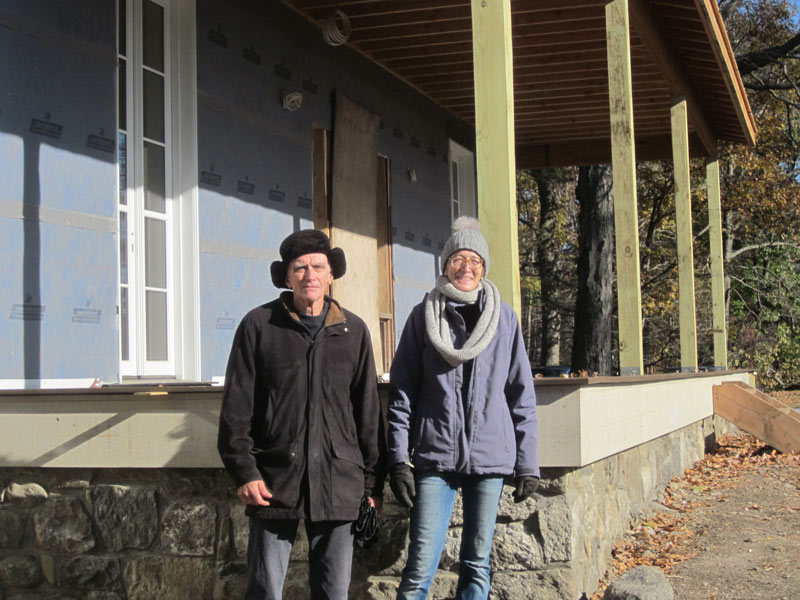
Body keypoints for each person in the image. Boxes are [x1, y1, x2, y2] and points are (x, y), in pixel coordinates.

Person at [217, 229, 386, 600]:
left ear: (331, 275)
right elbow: (236, 409)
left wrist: (372, 486)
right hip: (273, 482)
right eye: (300, 267)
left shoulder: (353, 331)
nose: (310, 275)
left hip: (340, 482)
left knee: (332, 592)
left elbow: (368, 414)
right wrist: (245, 471)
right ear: (287, 276)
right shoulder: (259, 326)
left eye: (318, 267)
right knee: (264, 591)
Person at [387, 216, 539, 600]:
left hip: (489, 459)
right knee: (420, 565)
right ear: (445, 265)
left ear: (484, 268)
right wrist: (398, 459)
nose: (466, 267)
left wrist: (528, 464)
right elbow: (402, 392)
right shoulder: (424, 316)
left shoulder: (504, 319)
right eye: (458, 259)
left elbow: (521, 394)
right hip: (434, 459)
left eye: (474, 260)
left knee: (476, 564)